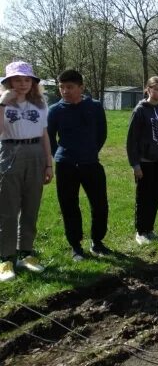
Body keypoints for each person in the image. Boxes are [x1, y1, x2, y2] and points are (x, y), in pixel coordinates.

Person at [48, 69, 110, 261]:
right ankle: (75, 246)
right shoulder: (55, 110)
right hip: (66, 165)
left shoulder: (95, 107)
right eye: (61, 87)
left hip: (91, 163)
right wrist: (62, 155)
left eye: (70, 87)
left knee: (100, 205)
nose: (65, 91)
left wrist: (90, 151)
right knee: (69, 206)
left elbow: (102, 133)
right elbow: (50, 138)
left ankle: (97, 242)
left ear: (81, 87)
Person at [0, 61, 52, 281]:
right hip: (10, 152)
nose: (22, 84)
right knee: (8, 208)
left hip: (36, 153)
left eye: (27, 80)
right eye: (17, 80)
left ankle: (26, 253)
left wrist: (48, 163)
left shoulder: (40, 104)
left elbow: (44, 134)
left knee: (31, 206)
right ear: (8, 82)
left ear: (33, 83)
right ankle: (6, 259)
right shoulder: (3, 103)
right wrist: (2, 104)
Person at [126, 77, 158, 245]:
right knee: (144, 197)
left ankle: (150, 229)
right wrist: (135, 164)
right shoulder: (140, 111)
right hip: (145, 161)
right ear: (148, 90)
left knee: (156, 196)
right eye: (157, 89)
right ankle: (141, 231)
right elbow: (132, 140)